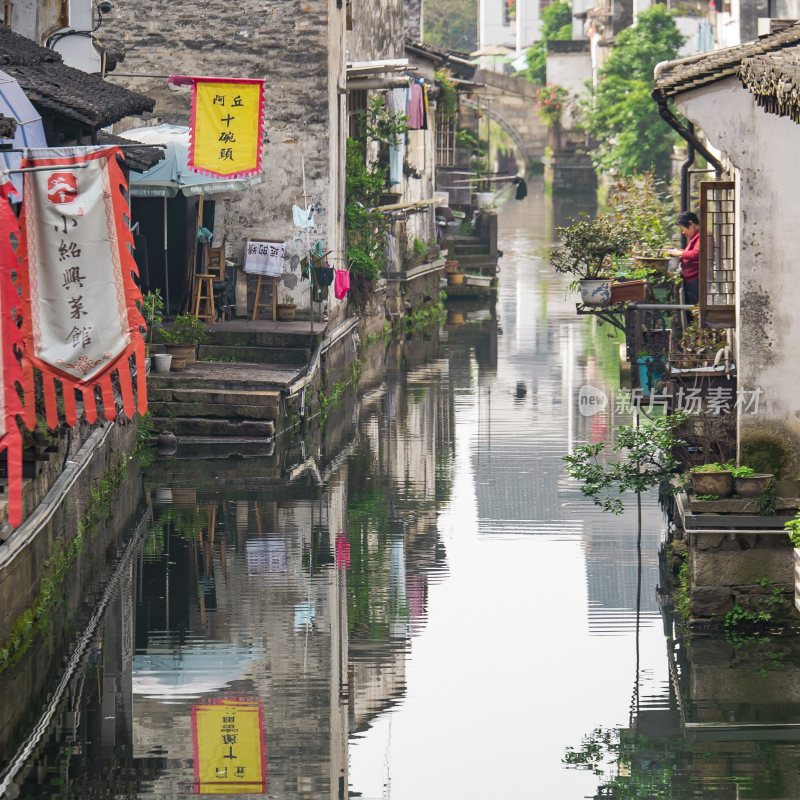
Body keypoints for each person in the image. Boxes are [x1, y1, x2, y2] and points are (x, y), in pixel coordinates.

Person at [666, 211, 700, 305]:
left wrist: (679, 253)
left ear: (691, 224)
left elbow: (696, 254)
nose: (683, 232)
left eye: (683, 228)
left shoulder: (702, 236)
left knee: (693, 308)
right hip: (691, 277)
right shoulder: (695, 237)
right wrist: (680, 252)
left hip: (695, 277)